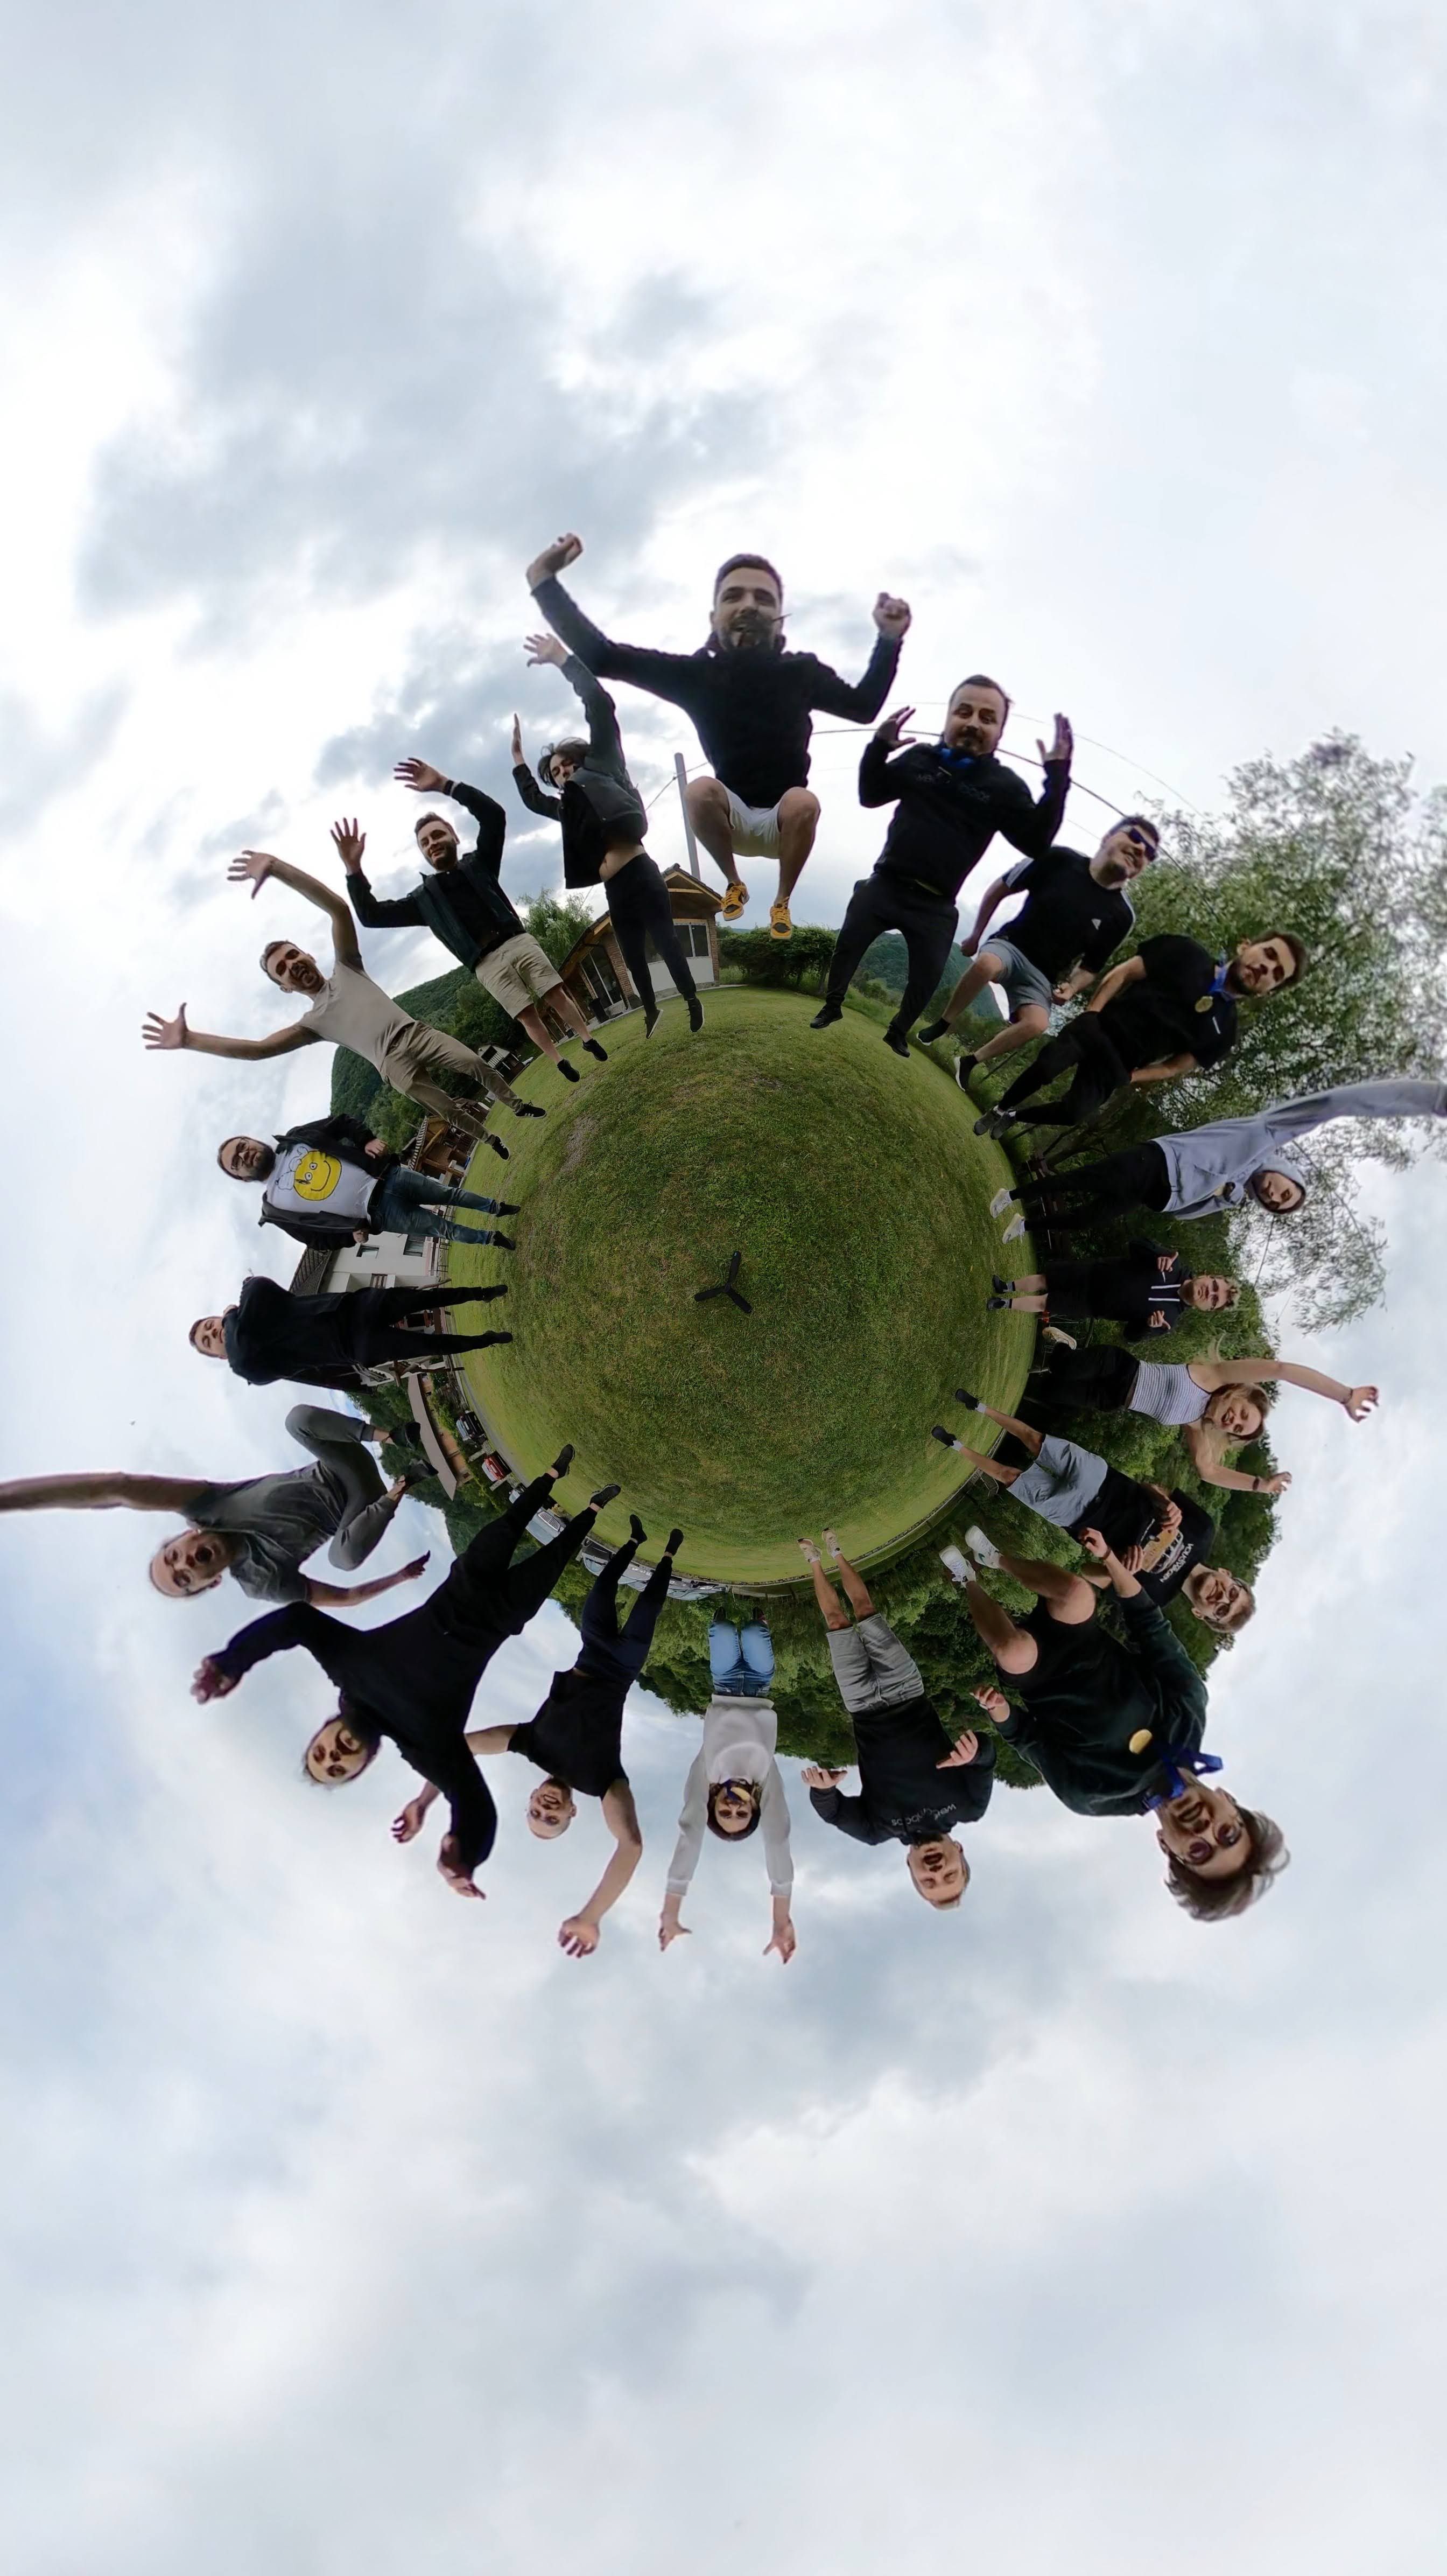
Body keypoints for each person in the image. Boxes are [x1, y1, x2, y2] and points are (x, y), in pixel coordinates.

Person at [190, 1452, 620, 1899]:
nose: (334, 1753)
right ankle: (594, 1507)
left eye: (321, 1752)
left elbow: (296, 1622)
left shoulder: (349, 1669)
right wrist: (464, 1855)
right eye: (338, 1768)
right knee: (557, 1555)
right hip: (505, 1615)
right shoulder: (425, 1745)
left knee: (513, 1522)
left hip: (467, 1581)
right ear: (362, 1766)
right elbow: (475, 1805)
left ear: (323, 1729)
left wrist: (230, 1662)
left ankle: (553, 1472)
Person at [525, 529, 912, 939]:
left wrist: (889, 640)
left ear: (780, 617)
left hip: (787, 822)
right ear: (714, 617)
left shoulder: (801, 672)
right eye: (734, 597)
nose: (749, 605)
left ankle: (781, 902)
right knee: (698, 790)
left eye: (763, 599)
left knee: (803, 800)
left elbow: (863, 706)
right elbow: (605, 656)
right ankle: (733, 883)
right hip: (729, 819)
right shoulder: (697, 676)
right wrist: (543, 582)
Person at [943, 1527, 1287, 1920]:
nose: (1206, 1832)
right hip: (1083, 1639)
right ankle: (995, 1559)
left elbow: (1029, 1740)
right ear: (1228, 1802)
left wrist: (1001, 1710)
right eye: (1228, 1834)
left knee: (1014, 1650)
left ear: (1167, 1847)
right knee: (1076, 1593)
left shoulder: (1094, 1797)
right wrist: (1111, 1561)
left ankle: (967, 1580)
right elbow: (1150, 1627)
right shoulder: (1190, 1711)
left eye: (1200, 1852)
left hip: (1039, 1676)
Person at [392, 1515, 682, 1955]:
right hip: (623, 1665)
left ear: (529, 1800)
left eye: (534, 1814)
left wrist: (424, 1800)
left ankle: (636, 1540)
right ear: (571, 1814)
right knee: (648, 1605)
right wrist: (590, 1916)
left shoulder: (529, 1744)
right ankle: (668, 1555)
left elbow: (459, 1748)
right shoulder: (601, 1781)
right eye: (553, 1820)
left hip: (592, 1647)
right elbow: (631, 1846)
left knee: (603, 1587)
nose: (545, 1811)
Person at [142, 825, 543, 1142]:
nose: (292, 965)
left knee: (474, 1062)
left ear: (309, 955)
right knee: (448, 1110)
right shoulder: (311, 1024)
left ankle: (517, 1104)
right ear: (284, 987)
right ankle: (490, 1140)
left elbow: (338, 909)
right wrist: (192, 1040)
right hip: (391, 1065)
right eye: (282, 968)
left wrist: (278, 868)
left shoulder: (348, 966)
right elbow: (259, 1050)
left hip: (415, 1032)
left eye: (293, 955)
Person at [810, 688, 1074, 1057]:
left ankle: (898, 1032)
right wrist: (879, 748)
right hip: (886, 883)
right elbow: (871, 794)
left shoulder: (1004, 787)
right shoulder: (921, 759)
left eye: (987, 718)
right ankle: (832, 1005)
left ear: (999, 733)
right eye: (964, 712)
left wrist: (1058, 779)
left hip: (937, 906)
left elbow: (1037, 843)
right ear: (949, 719)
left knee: (927, 978)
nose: (973, 723)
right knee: (848, 944)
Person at [0, 1405, 431, 1606]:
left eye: (173, 1557)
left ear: (189, 1534)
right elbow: (345, 1596)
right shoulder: (262, 1583)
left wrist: (10, 1500)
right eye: (185, 1578)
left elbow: (118, 1488)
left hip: (341, 1463)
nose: (186, 1563)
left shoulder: (211, 1505)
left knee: (296, 1419)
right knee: (343, 1560)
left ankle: (394, 1438)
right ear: (209, 1584)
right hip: (361, 1509)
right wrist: (398, 1578)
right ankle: (407, 1480)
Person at [343, 759, 608, 1084]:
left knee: (554, 991)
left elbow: (494, 815)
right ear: (424, 854)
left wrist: (446, 786)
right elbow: (371, 916)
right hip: (484, 964)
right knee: (526, 1014)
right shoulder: (424, 900)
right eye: (425, 843)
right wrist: (354, 872)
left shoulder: (480, 863)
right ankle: (559, 1061)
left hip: (516, 940)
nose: (432, 843)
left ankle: (587, 1039)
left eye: (438, 835)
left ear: (454, 836)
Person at [511, 636, 704, 1038]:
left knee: (666, 941)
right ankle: (651, 1012)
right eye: (557, 774)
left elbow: (600, 705)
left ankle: (691, 1000)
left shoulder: (604, 765)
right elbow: (532, 801)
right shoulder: (567, 809)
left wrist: (564, 659)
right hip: (614, 886)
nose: (563, 774)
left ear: (580, 759)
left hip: (640, 870)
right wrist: (518, 762)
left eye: (567, 766)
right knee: (632, 956)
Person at [995, 1073, 1447, 1240]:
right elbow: (1338, 1104)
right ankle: (1011, 1194)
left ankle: (1026, 1225)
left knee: (1086, 1219)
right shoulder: (1268, 1133)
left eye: (1276, 1204)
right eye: (1284, 1192)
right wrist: (1432, 1099)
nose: (1274, 1196)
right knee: (1082, 1180)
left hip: (1161, 1196)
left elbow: (1190, 1213)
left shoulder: (1236, 1195)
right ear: (1288, 1174)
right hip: (1159, 1161)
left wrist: (1218, 1196)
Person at [798, 1530, 993, 1906]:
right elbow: (986, 1757)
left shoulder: (875, 1829)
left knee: (837, 1623)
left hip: (862, 1705)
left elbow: (834, 1812)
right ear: (960, 1852)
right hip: (907, 1691)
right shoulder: (970, 1807)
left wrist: (823, 1789)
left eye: (929, 1881)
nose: (936, 1872)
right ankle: (837, 1553)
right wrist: (975, 1753)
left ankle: (813, 1561)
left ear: (912, 1869)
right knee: (866, 1611)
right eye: (950, 1875)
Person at [978, 928, 1306, 1138]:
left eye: (1277, 974)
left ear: (1269, 991)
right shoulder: (1186, 952)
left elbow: (1176, 1067)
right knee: (1046, 1067)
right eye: (1269, 954)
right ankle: (1000, 1108)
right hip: (1099, 1026)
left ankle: (1016, 1116)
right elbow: (1125, 973)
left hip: (1121, 1064)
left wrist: (1133, 1077)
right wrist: (1093, 1011)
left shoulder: (1226, 1032)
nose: (1267, 968)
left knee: (1072, 1113)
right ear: (1249, 945)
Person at [915, 816, 1156, 1076]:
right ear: (1108, 837)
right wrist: (976, 936)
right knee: (986, 964)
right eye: (1135, 837)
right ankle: (944, 1022)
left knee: (1037, 1024)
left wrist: (1073, 987)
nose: (1142, 849)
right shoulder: (1059, 859)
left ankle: (969, 1063)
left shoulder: (1122, 915)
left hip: (1042, 977)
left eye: (1151, 852)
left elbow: (1091, 966)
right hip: (1010, 947)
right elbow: (1001, 888)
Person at [1034, 1346, 1378, 1494]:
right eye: (1243, 1413)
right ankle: (1063, 1351)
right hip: (1119, 1368)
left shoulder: (1195, 1423)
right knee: (1063, 1365)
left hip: (1110, 1400)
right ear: (1240, 1395)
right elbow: (1281, 1370)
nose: (1235, 1420)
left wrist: (1260, 1484)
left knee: (1047, 1390)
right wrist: (1345, 1395)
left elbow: (1209, 1471)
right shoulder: (1214, 1375)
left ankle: (1059, 1356)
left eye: (1239, 1428)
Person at [660, 1618, 796, 1963]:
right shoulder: (764, 1780)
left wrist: (671, 1907)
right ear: (754, 1808)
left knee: (720, 1628)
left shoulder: (707, 1773)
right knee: (753, 1632)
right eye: (742, 1814)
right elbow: (777, 1839)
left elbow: (690, 1832)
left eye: (725, 1814)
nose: (734, 1808)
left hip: (724, 1685)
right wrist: (781, 1920)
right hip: (759, 1687)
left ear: (712, 1805)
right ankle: (760, 1618)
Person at [216, 1114, 519, 1255]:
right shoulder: (275, 1209)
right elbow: (317, 1241)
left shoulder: (296, 1137)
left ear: (252, 1139)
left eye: (242, 1145)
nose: (245, 1154)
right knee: (442, 1229)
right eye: (237, 1161)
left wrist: (366, 1139)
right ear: (241, 1177)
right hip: (379, 1215)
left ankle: (497, 1207)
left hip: (388, 1176)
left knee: (449, 1194)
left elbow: (342, 1123)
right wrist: (351, 1238)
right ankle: (492, 1239)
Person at [931, 1391, 1180, 1560]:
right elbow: (1147, 1487)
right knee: (1036, 1440)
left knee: (1010, 1478)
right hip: (1103, 1480)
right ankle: (979, 1406)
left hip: (1076, 1517)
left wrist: (1112, 1560)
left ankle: (955, 1445)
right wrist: (1166, 1503)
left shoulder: (1153, 1586)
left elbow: (1098, 1575)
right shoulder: (1198, 1530)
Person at [190, 1272, 514, 1390]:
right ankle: (488, 1340)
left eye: (210, 1325)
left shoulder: (255, 1313)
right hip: (356, 1345)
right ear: (219, 1358)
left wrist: (238, 1314)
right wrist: (231, 1315)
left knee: (424, 1298)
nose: (213, 1332)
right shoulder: (252, 1365)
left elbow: (257, 1285)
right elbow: (243, 1355)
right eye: (208, 1342)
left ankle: (481, 1292)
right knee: (433, 1344)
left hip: (354, 1307)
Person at [988, 1247, 1238, 1336]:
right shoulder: (1173, 1263)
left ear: (1207, 1310)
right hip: (1095, 1272)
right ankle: (1006, 1287)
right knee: (1046, 1279)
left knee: (1046, 1303)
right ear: (1208, 1276)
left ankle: (1004, 1305)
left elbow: (1130, 1335)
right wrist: (1155, 1255)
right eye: (1215, 1286)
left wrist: (1147, 1327)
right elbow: (1136, 1244)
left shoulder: (1168, 1321)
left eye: (1215, 1301)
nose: (1210, 1293)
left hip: (1092, 1305)